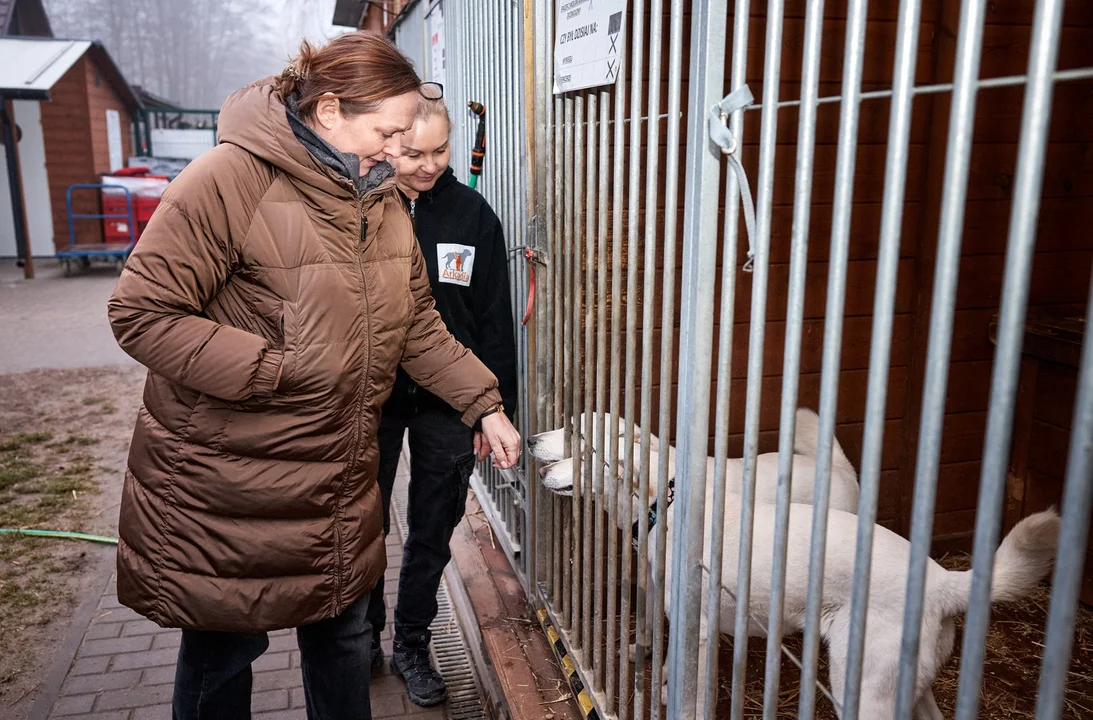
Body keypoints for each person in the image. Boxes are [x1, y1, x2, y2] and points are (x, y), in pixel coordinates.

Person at [105, 31, 522, 720]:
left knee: (343, 641)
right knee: (223, 655)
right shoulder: (227, 180)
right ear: (329, 110)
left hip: (335, 477)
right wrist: (279, 372)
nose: (397, 150)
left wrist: (485, 404)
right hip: (230, 482)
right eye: (387, 131)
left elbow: (416, 322)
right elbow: (144, 314)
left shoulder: (379, 199)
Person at [365, 98, 518, 707]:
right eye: (412, 153)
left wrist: (492, 406)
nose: (428, 166)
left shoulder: (472, 214)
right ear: (386, 145)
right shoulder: (364, 208)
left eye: (440, 151)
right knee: (362, 525)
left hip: (447, 401)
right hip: (373, 395)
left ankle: (411, 644)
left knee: (432, 528)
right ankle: (360, 639)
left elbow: (494, 321)